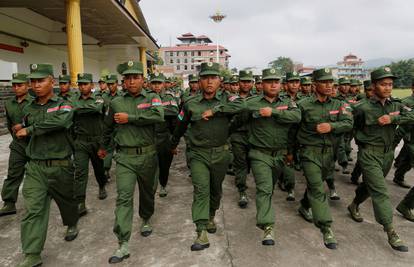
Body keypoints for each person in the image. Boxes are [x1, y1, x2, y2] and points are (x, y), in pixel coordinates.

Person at [171, 62, 245, 251]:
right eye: (205, 78)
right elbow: (179, 126)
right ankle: (201, 230)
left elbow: (242, 105)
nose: (209, 81)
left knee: (215, 190)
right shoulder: (190, 104)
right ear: (199, 81)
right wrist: (172, 145)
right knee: (201, 190)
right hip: (198, 154)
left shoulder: (229, 99)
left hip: (221, 154)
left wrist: (215, 111)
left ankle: (211, 215)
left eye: (213, 77)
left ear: (220, 81)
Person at [16, 63, 79, 267]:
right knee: (33, 209)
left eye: (40, 80)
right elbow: (22, 131)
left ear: (52, 81)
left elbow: (60, 122)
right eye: (33, 81)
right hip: (35, 167)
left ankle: (71, 223)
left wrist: (31, 129)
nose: (36, 85)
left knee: (67, 201)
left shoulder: (65, 103)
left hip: (60, 165)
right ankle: (32, 254)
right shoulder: (27, 107)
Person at [102, 61, 163, 264]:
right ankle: (123, 242)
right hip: (125, 157)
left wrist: (131, 118)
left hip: (147, 155)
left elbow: (158, 116)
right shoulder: (116, 102)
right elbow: (108, 127)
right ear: (124, 82)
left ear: (143, 80)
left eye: (136, 77)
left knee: (147, 192)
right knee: (123, 197)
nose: (132, 81)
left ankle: (145, 218)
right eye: (128, 78)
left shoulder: (153, 97)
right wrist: (104, 147)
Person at [347, 67, 414, 252]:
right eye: (383, 84)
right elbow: (349, 126)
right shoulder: (362, 108)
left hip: (387, 154)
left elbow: (411, 115)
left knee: (370, 186)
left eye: (390, 84)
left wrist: (392, 120)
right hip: (369, 154)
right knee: (381, 191)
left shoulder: (396, 105)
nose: (387, 88)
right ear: (374, 85)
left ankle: (354, 205)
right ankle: (390, 230)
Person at [236, 67, 301, 245]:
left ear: (280, 84)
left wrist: (274, 112)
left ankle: (265, 211)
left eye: (276, 81)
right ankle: (268, 226)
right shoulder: (251, 103)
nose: (273, 85)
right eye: (269, 81)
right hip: (259, 154)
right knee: (264, 189)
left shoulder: (287, 102)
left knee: (269, 188)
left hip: (279, 155)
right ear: (261, 84)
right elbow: (238, 121)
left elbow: (296, 116)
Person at [297, 68, 353, 250]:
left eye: (331, 82)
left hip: (329, 153)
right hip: (309, 152)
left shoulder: (339, 104)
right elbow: (292, 131)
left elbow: (348, 123)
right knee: (318, 188)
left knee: (316, 184)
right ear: (314, 85)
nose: (329, 86)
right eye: (324, 82)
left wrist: (331, 126)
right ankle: (326, 227)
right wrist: (290, 153)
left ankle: (304, 206)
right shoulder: (303, 105)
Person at [72, 73, 108, 217]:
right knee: (80, 172)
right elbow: (72, 112)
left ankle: (102, 185)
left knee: (99, 168)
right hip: (80, 141)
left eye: (85, 84)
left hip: (97, 140)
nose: (82, 87)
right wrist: (79, 108)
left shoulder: (99, 98)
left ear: (91, 85)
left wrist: (77, 109)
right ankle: (80, 201)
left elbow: (96, 109)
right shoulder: (74, 99)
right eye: (80, 84)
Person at [0, 73, 32, 217]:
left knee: (37, 173)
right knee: (13, 173)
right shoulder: (9, 104)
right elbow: (9, 124)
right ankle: (9, 202)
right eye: (14, 85)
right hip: (18, 145)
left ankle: (42, 197)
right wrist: (15, 136)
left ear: (27, 86)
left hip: (34, 144)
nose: (16, 88)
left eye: (20, 85)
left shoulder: (34, 102)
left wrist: (25, 128)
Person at [149, 72, 179, 197]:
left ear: (164, 84)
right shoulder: (146, 97)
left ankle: (163, 184)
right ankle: (152, 185)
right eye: (154, 83)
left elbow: (173, 111)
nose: (156, 86)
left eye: (159, 83)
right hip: (149, 136)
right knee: (150, 164)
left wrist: (154, 111)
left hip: (165, 136)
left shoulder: (169, 97)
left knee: (164, 164)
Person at [230, 70, 254, 208]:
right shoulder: (231, 99)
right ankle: (242, 191)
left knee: (253, 163)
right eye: (243, 81)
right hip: (237, 135)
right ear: (239, 83)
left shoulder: (258, 99)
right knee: (240, 164)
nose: (246, 84)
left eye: (248, 81)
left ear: (252, 83)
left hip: (254, 136)